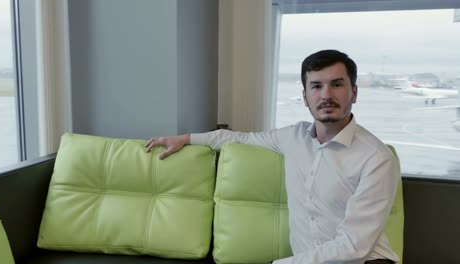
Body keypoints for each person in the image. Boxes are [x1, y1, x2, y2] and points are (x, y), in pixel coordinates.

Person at [145, 50, 399, 264]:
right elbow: (238, 139)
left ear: (354, 92)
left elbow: (353, 246)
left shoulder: (376, 158)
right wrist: (187, 139)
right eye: (316, 86)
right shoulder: (293, 137)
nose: (326, 95)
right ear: (305, 97)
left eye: (337, 84)